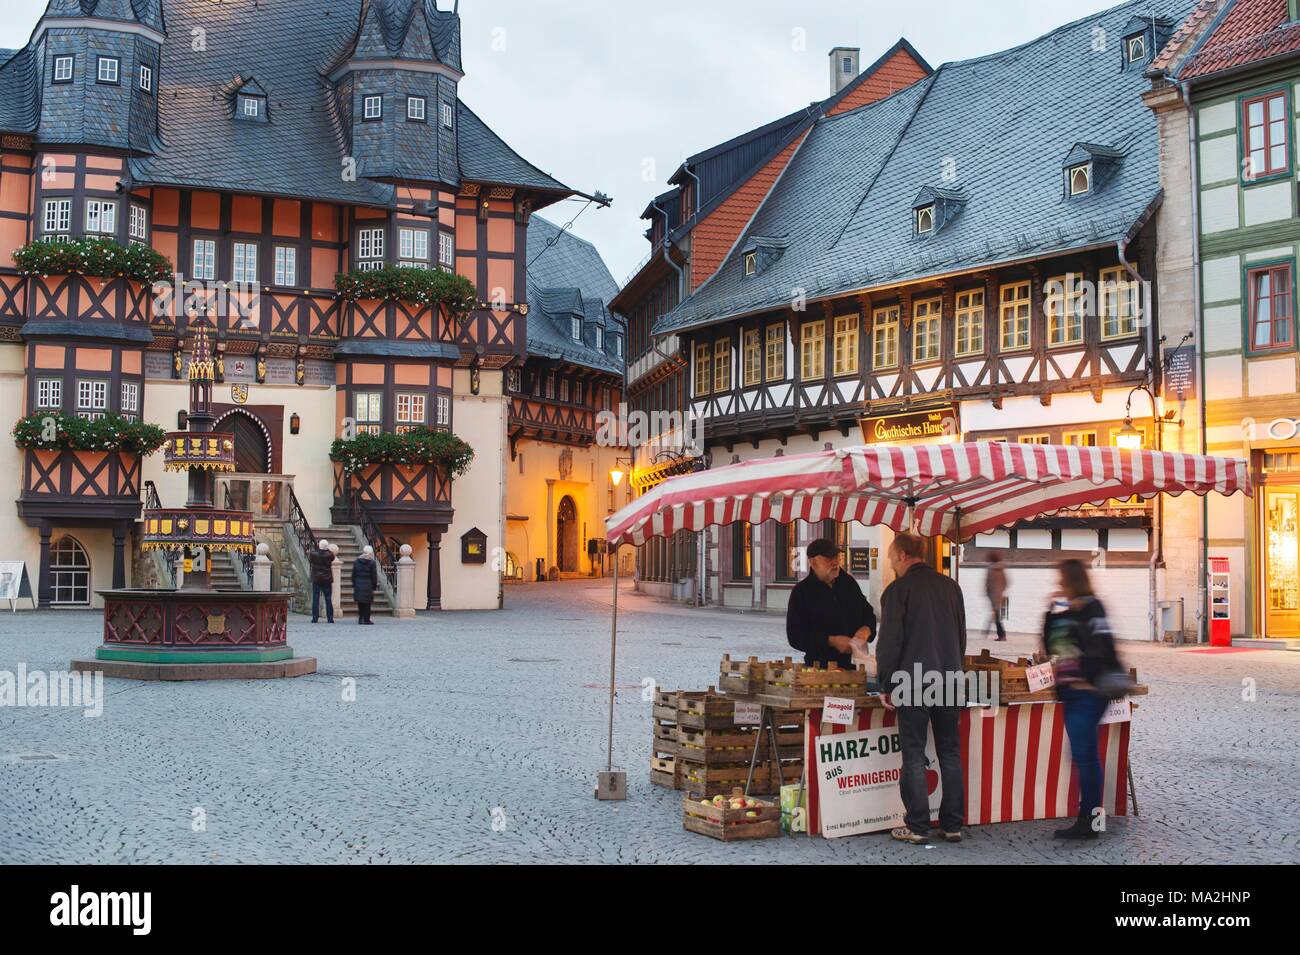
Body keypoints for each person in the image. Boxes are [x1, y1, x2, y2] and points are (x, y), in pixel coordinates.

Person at [875, 532, 967, 845]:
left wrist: (886, 683)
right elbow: (960, 636)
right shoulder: (951, 587)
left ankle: (917, 826)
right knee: (950, 752)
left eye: (891, 558)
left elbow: (889, 643)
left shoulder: (898, 590)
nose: (891, 564)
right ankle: (953, 824)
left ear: (901, 555)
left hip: (912, 680)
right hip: (950, 677)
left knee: (914, 755)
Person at [1043, 558, 1122, 840]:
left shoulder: (1092, 608)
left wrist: (1086, 679)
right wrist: (1051, 610)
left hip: (1087, 694)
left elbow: (1103, 647)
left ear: (1071, 580)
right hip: (1071, 693)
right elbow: (1049, 644)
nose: (1058, 583)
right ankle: (1088, 817)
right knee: (1082, 756)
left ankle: (1089, 820)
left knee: (1085, 758)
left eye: (1061, 578)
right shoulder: (1067, 610)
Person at [785, 538, 876, 670]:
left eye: (836, 557)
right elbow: (795, 637)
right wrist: (830, 641)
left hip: (853, 667)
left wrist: (866, 630)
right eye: (828, 558)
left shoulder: (848, 583)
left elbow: (868, 613)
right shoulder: (802, 592)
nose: (835, 562)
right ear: (813, 562)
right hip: (819, 668)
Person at [309, 539, 335, 624]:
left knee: (315, 598)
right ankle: (330, 618)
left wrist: (318, 548)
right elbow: (332, 555)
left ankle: (315, 618)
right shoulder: (329, 555)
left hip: (316, 578)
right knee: (328, 598)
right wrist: (326, 548)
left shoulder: (313, 554)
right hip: (326, 579)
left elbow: (312, 556)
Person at [984, 551, 1008, 641]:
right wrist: (1000, 591)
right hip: (999, 595)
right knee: (997, 616)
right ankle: (1001, 635)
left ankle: (1002, 635)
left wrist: (988, 592)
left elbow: (988, 584)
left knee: (997, 617)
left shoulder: (991, 571)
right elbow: (1006, 582)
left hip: (993, 596)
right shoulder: (1001, 570)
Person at [352, 545, 378, 625]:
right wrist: (374, 586)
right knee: (367, 604)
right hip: (368, 585)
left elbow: (353, 574)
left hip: (358, 585)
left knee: (360, 603)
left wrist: (354, 584)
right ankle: (366, 619)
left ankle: (361, 618)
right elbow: (374, 576)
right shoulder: (372, 563)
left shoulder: (356, 561)